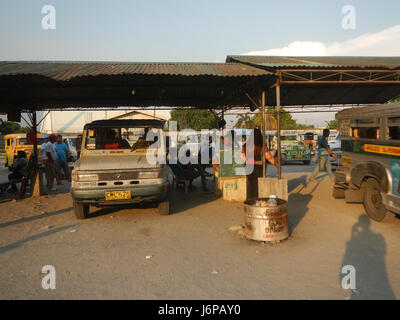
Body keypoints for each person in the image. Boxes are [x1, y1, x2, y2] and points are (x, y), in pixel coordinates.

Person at [242, 128, 277, 200]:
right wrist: (277, 165)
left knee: (250, 184)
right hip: (259, 167)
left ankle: (249, 199)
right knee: (258, 185)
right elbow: (269, 157)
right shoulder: (262, 145)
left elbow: (242, 157)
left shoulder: (245, 145)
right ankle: (257, 200)